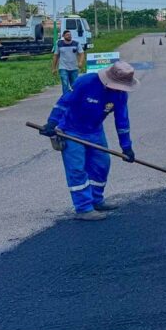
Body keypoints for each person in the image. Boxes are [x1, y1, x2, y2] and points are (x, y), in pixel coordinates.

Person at [38, 61, 139, 221]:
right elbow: (64, 102)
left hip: (95, 131)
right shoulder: (86, 82)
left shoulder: (120, 94)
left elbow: (122, 121)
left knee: (102, 164)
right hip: (71, 130)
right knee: (77, 169)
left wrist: (126, 147)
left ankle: (96, 200)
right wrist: (52, 123)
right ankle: (84, 208)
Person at [52, 29, 85, 95]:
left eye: (70, 35)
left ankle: (74, 99)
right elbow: (56, 56)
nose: (69, 36)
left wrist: (80, 62)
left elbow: (82, 53)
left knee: (74, 85)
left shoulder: (76, 43)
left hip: (74, 68)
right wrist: (54, 68)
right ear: (63, 36)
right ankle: (66, 99)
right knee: (65, 83)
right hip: (63, 67)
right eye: (67, 35)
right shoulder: (59, 44)